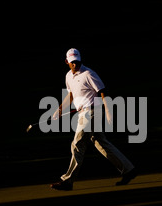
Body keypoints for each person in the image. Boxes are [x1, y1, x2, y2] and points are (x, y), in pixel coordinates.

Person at [50, 48, 138, 191]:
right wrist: (59, 109)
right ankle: (129, 169)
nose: (75, 64)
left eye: (77, 61)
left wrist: (108, 111)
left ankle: (68, 180)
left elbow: (102, 91)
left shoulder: (88, 73)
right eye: (72, 62)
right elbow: (71, 95)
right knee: (100, 143)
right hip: (82, 113)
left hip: (92, 112)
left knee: (77, 143)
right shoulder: (68, 76)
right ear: (67, 62)